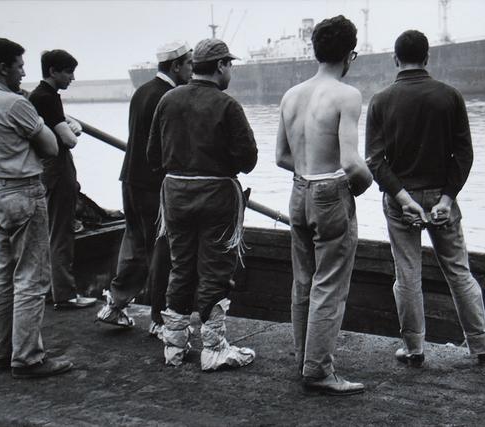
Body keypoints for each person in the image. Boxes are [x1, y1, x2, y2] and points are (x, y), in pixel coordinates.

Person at [365, 29, 485, 368]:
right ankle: (483, 346)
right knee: (459, 271)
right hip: (441, 198)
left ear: (395, 59)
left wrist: (403, 198)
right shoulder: (450, 96)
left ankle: (414, 348)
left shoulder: (380, 101)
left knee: (407, 274)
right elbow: (464, 154)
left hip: (401, 200)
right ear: (427, 57)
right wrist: (446, 199)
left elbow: (374, 160)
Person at [276, 15, 373, 396]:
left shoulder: (291, 95)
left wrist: (310, 174)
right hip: (330, 192)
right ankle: (318, 371)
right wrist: (362, 186)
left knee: (304, 281)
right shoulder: (346, 96)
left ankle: (305, 360)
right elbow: (351, 163)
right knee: (330, 285)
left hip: (299, 190)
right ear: (350, 55)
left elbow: (281, 156)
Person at [147, 38, 257, 371]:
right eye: (230, 65)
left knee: (180, 266)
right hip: (217, 196)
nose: (230, 71)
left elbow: (153, 156)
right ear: (221, 66)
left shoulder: (168, 100)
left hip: (175, 195)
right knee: (215, 270)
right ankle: (213, 347)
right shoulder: (227, 105)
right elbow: (248, 160)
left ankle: (174, 345)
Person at [0, 38, 72, 378]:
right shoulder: (14, 104)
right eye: (20, 66)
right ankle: (27, 357)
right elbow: (52, 146)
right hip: (23, 192)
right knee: (31, 277)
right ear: (4, 68)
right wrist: (33, 120)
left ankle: (2, 353)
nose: (24, 72)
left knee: (2, 277)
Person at [96, 41, 193, 333]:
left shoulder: (141, 91)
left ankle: (115, 304)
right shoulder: (170, 97)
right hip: (153, 184)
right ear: (176, 65)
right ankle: (159, 319)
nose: (192, 70)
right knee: (162, 250)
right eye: (189, 64)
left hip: (130, 179)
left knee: (134, 242)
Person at [29, 49, 96, 310]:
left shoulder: (38, 96)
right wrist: (74, 129)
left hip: (46, 169)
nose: (72, 77)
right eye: (68, 72)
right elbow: (69, 140)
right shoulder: (47, 97)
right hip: (57, 168)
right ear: (53, 71)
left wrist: (67, 123)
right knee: (61, 232)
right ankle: (65, 295)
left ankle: (50, 290)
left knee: (49, 231)